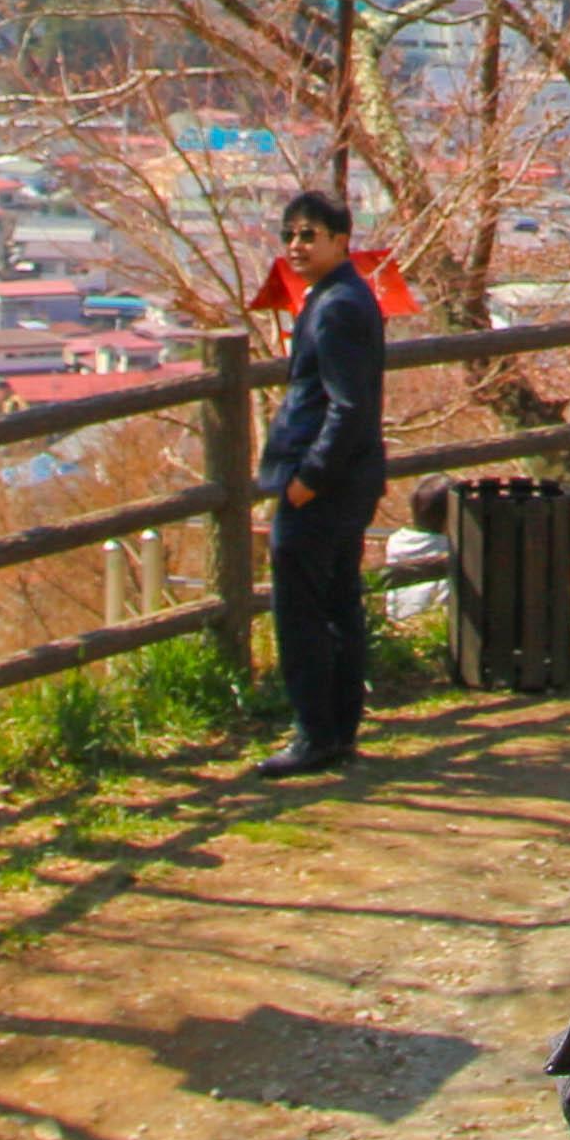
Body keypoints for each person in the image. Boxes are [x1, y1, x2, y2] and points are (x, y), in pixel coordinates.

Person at [253, 184, 388, 778]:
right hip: (348, 481)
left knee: (304, 610)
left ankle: (315, 731)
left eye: (310, 234)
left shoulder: (335, 306)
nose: (296, 245)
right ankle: (337, 730)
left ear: (341, 240)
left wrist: (308, 478)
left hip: (325, 484)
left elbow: (347, 405)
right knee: (338, 603)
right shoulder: (342, 297)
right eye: (290, 235)